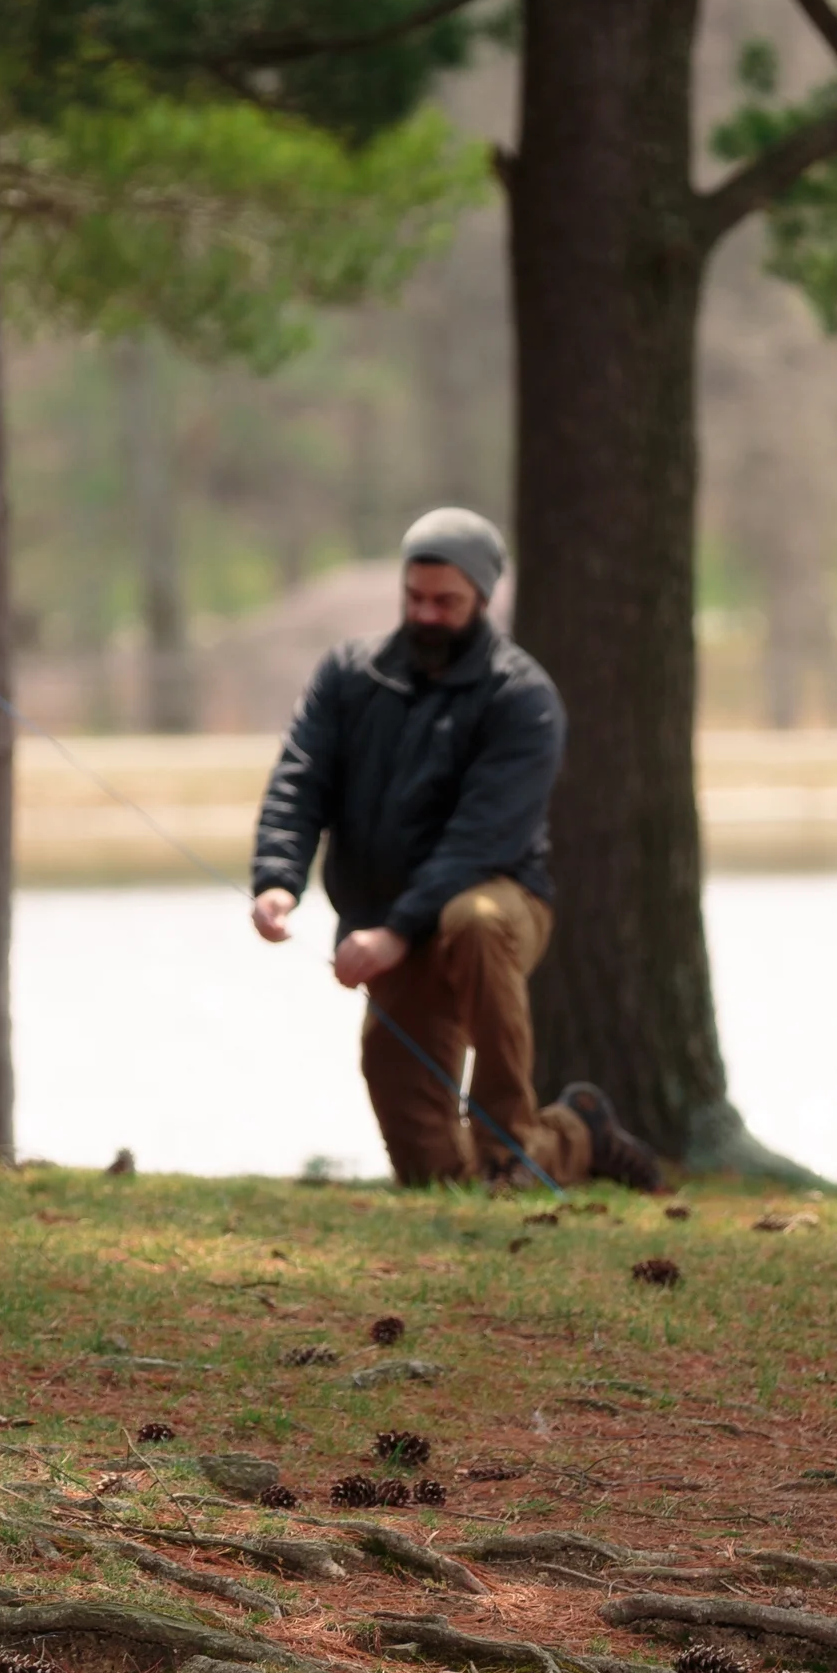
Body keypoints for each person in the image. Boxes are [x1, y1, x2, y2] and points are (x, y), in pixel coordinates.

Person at [249, 506, 662, 1193]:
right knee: (431, 1173)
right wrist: (277, 880)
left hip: (493, 905)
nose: (428, 614)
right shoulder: (349, 676)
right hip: (391, 927)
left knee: (473, 918)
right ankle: (576, 1137)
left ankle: (510, 1143)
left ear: (484, 598)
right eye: (415, 598)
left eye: (447, 601)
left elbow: (482, 837)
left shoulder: (522, 697)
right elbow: (300, 779)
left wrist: (395, 931)